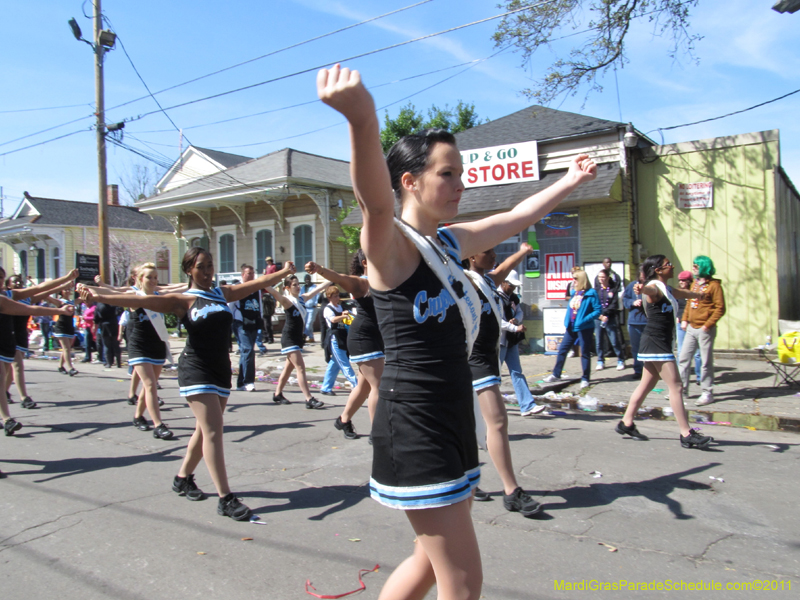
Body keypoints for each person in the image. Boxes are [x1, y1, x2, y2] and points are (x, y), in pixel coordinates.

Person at [318, 63, 596, 600]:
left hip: (450, 416)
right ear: (411, 180)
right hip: (414, 423)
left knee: (427, 562)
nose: (459, 184)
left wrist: (570, 180)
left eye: (460, 172)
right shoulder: (391, 246)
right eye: (447, 173)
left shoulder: (447, 244)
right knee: (463, 583)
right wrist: (362, 118)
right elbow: (373, 202)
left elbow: (515, 216)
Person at [78, 248, 294, 521]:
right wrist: (98, 296)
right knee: (214, 431)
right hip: (195, 368)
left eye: (210, 266)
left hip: (220, 369)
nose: (207, 272)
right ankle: (226, 498)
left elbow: (257, 284)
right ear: (189, 269)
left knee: (204, 432)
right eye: (201, 267)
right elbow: (138, 299)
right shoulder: (183, 300)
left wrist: (284, 273)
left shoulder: (221, 293)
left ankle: (183, 478)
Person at [466, 243, 543, 515]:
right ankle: (511, 491)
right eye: (488, 251)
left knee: (470, 426)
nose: (494, 256)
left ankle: (467, 481)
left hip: (487, 358)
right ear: (471, 254)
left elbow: (504, 267)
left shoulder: (486, 280)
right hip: (473, 361)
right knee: (497, 421)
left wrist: (523, 252)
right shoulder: (464, 281)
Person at [615, 255, 712, 449]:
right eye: (668, 265)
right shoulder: (654, 287)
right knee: (676, 386)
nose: (673, 266)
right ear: (658, 270)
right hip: (656, 343)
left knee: (646, 385)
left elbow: (681, 293)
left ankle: (626, 422)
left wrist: (698, 296)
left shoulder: (666, 288)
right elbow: (649, 290)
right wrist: (641, 288)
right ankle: (686, 433)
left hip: (657, 342)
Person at [306, 252, 385, 441]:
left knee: (364, 386)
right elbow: (339, 278)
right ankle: (378, 434)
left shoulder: (382, 281)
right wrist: (320, 269)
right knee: (378, 386)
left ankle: (343, 420)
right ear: (365, 263)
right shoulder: (361, 283)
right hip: (363, 338)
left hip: (375, 337)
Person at [0, 266, 74, 434]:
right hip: (9, 339)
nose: (18, 283)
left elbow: (39, 293)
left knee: (7, 374)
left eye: (0, 277)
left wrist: (65, 280)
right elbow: (31, 308)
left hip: (9, 339)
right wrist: (59, 309)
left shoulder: (9, 297)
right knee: (12, 371)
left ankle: (8, 409)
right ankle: (9, 416)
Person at [123, 263, 174, 440]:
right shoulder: (134, 296)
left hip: (157, 345)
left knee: (148, 386)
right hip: (139, 346)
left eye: (155, 277)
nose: (152, 280)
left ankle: (138, 416)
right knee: (151, 385)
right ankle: (158, 425)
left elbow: (180, 288)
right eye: (148, 277)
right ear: (139, 279)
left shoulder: (159, 296)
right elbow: (112, 293)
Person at [267, 275, 331, 409]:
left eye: (298, 284)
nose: (298, 286)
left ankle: (277, 394)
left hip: (298, 338)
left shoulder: (302, 299)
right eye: (294, 285)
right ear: (287, 288)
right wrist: (260, 283)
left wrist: (332, 278)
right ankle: (309, 399)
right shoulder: (287, 301)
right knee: (300, 368)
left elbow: (318, 288)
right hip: (289, 338)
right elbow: (273, 291)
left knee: (288, 369)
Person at [496, 270, 546, 417]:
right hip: (499, 342)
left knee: (517, 372)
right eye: (511, 285)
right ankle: (482, 405)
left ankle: (527, 405)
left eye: (515, 286)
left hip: (511, 341)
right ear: (503, 282)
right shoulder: (494, 297)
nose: (513, 289)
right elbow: (496, 321)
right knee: (493, 376)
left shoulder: (513, 298)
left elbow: (520, 312)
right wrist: (513, 327)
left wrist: (517, 320)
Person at [679, 256, 724, 406]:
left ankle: (707, 392)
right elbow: (689, 303)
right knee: (683, 358)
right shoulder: (695, 285)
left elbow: (720, 308)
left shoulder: (714, 286)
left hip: (705, 329)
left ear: (704, 267)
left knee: (705, 361)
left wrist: (708, 325)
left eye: (696, 266)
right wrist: (685, 318)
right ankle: (682, 390)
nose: (693, 268)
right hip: (691, 327)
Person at [543, 270, 601, 388]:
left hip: (584, 328)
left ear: (581, 280)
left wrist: (584, 319)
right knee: (562, 350)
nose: (573, 281)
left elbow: (597, 310)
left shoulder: (591, 293)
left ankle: (585, 378)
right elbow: (571, 309)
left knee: (584, 352)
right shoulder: (574, 292)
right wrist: (567, 321)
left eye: (575, 279)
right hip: (571, 327)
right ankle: (556, 374)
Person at [319, 286, 358, 395]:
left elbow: (349, 315)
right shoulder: (328, 309)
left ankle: (326, 387)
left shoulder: (340, 307)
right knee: (344, 363)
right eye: (335, 296)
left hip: (343, 336)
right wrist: (342, 316)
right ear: (329, 297)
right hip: (334, 338)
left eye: (338, 295)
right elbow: (333, 320)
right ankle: (357, 386)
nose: (337, 298)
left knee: (335, 364)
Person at [229, 264, 262, 392]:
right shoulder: (237, 288)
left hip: (253, 322)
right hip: (240, 322)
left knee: (246, 352)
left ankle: (241, 382)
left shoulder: (256, 288)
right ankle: (249, 381)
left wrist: (260, 319)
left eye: (253, 273)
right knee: (248, 350)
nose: (251, 275)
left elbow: (259, 303)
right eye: (249, 273)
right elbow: (230, 305)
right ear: (243, 275)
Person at [594, 268, 626, 371]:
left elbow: (614, 304)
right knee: (599, 341)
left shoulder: (613, 289)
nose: (601, 279)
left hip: (609, 318)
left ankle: (620, 359)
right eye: (599, 277)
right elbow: (594, 305)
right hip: (598, 318)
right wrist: (600, 315)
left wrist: (606, 314)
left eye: (603, 277)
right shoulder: (596, 290)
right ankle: (600, 360)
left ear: (608, 278)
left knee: (614, 340)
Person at [675, 270, 702, 383]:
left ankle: (700, 376)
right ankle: (679, 377)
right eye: (680, 280)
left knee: (697, 353)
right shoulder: (679, 292)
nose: (681, 282)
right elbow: (675, 305)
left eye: (684, 280)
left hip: (694, 323)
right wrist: (677, 317)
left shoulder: (694, 291)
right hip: (680, 323)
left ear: (689, 281)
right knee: (681, 351)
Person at [622, 265, 647, 380]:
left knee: (648, 348)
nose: (643, 275)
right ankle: (638, 370)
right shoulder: (632, 285)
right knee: (636, 348)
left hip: (647, 321)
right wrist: (633, 302)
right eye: (642, 272)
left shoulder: (651, 286)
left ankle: (649, 371)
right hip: (634, 322)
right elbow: (625, 299)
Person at [300, 274, 324, 343]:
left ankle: (304, 336)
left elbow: (317, 295)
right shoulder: (303, 288)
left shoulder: (314, 287)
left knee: (309, 323)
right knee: (307, 323)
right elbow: (300, 296)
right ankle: (311, 337)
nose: (307, 280)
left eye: (308, 279)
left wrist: (315, 303)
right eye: (306, 279)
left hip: (312, 308)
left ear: (310, 279)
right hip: (305, 308)